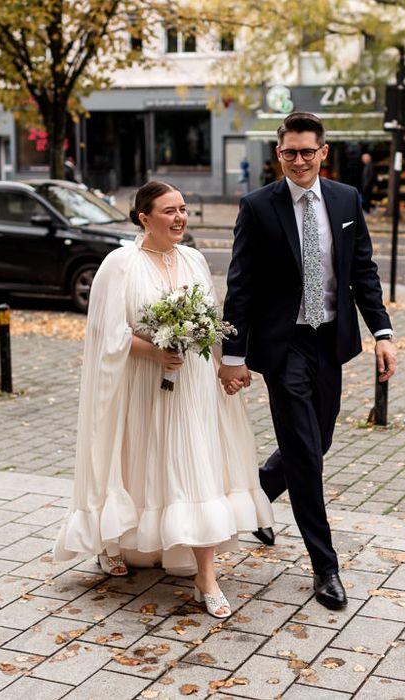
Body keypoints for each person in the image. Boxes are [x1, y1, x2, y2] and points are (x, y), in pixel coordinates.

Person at [54, 181, 274, 619]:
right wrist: (153, 350)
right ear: (144, 218)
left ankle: (204, 576)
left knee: (196, 469)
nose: (180, 218)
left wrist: (227, 366)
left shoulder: (193, 259)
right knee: (138, 464)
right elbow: (104, 333)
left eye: (183, 209)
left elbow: (211, 320)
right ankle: (113, 540)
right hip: (141, 383)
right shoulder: (120, 264)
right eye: (169, 211)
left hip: (192, 386)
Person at [218, 112, 396, 610]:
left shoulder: (345, 199)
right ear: (279, 155)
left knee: (317, 442)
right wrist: (235, 354)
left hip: (330, 341)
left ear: (323, 152)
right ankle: (325, 566)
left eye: (307, 151)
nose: (298, 160)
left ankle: (255, 501)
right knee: (303, 449)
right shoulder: (257, 207)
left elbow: (362, 269)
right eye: (289, 153)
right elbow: (241, 285)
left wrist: (381, 332)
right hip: (283, 345)